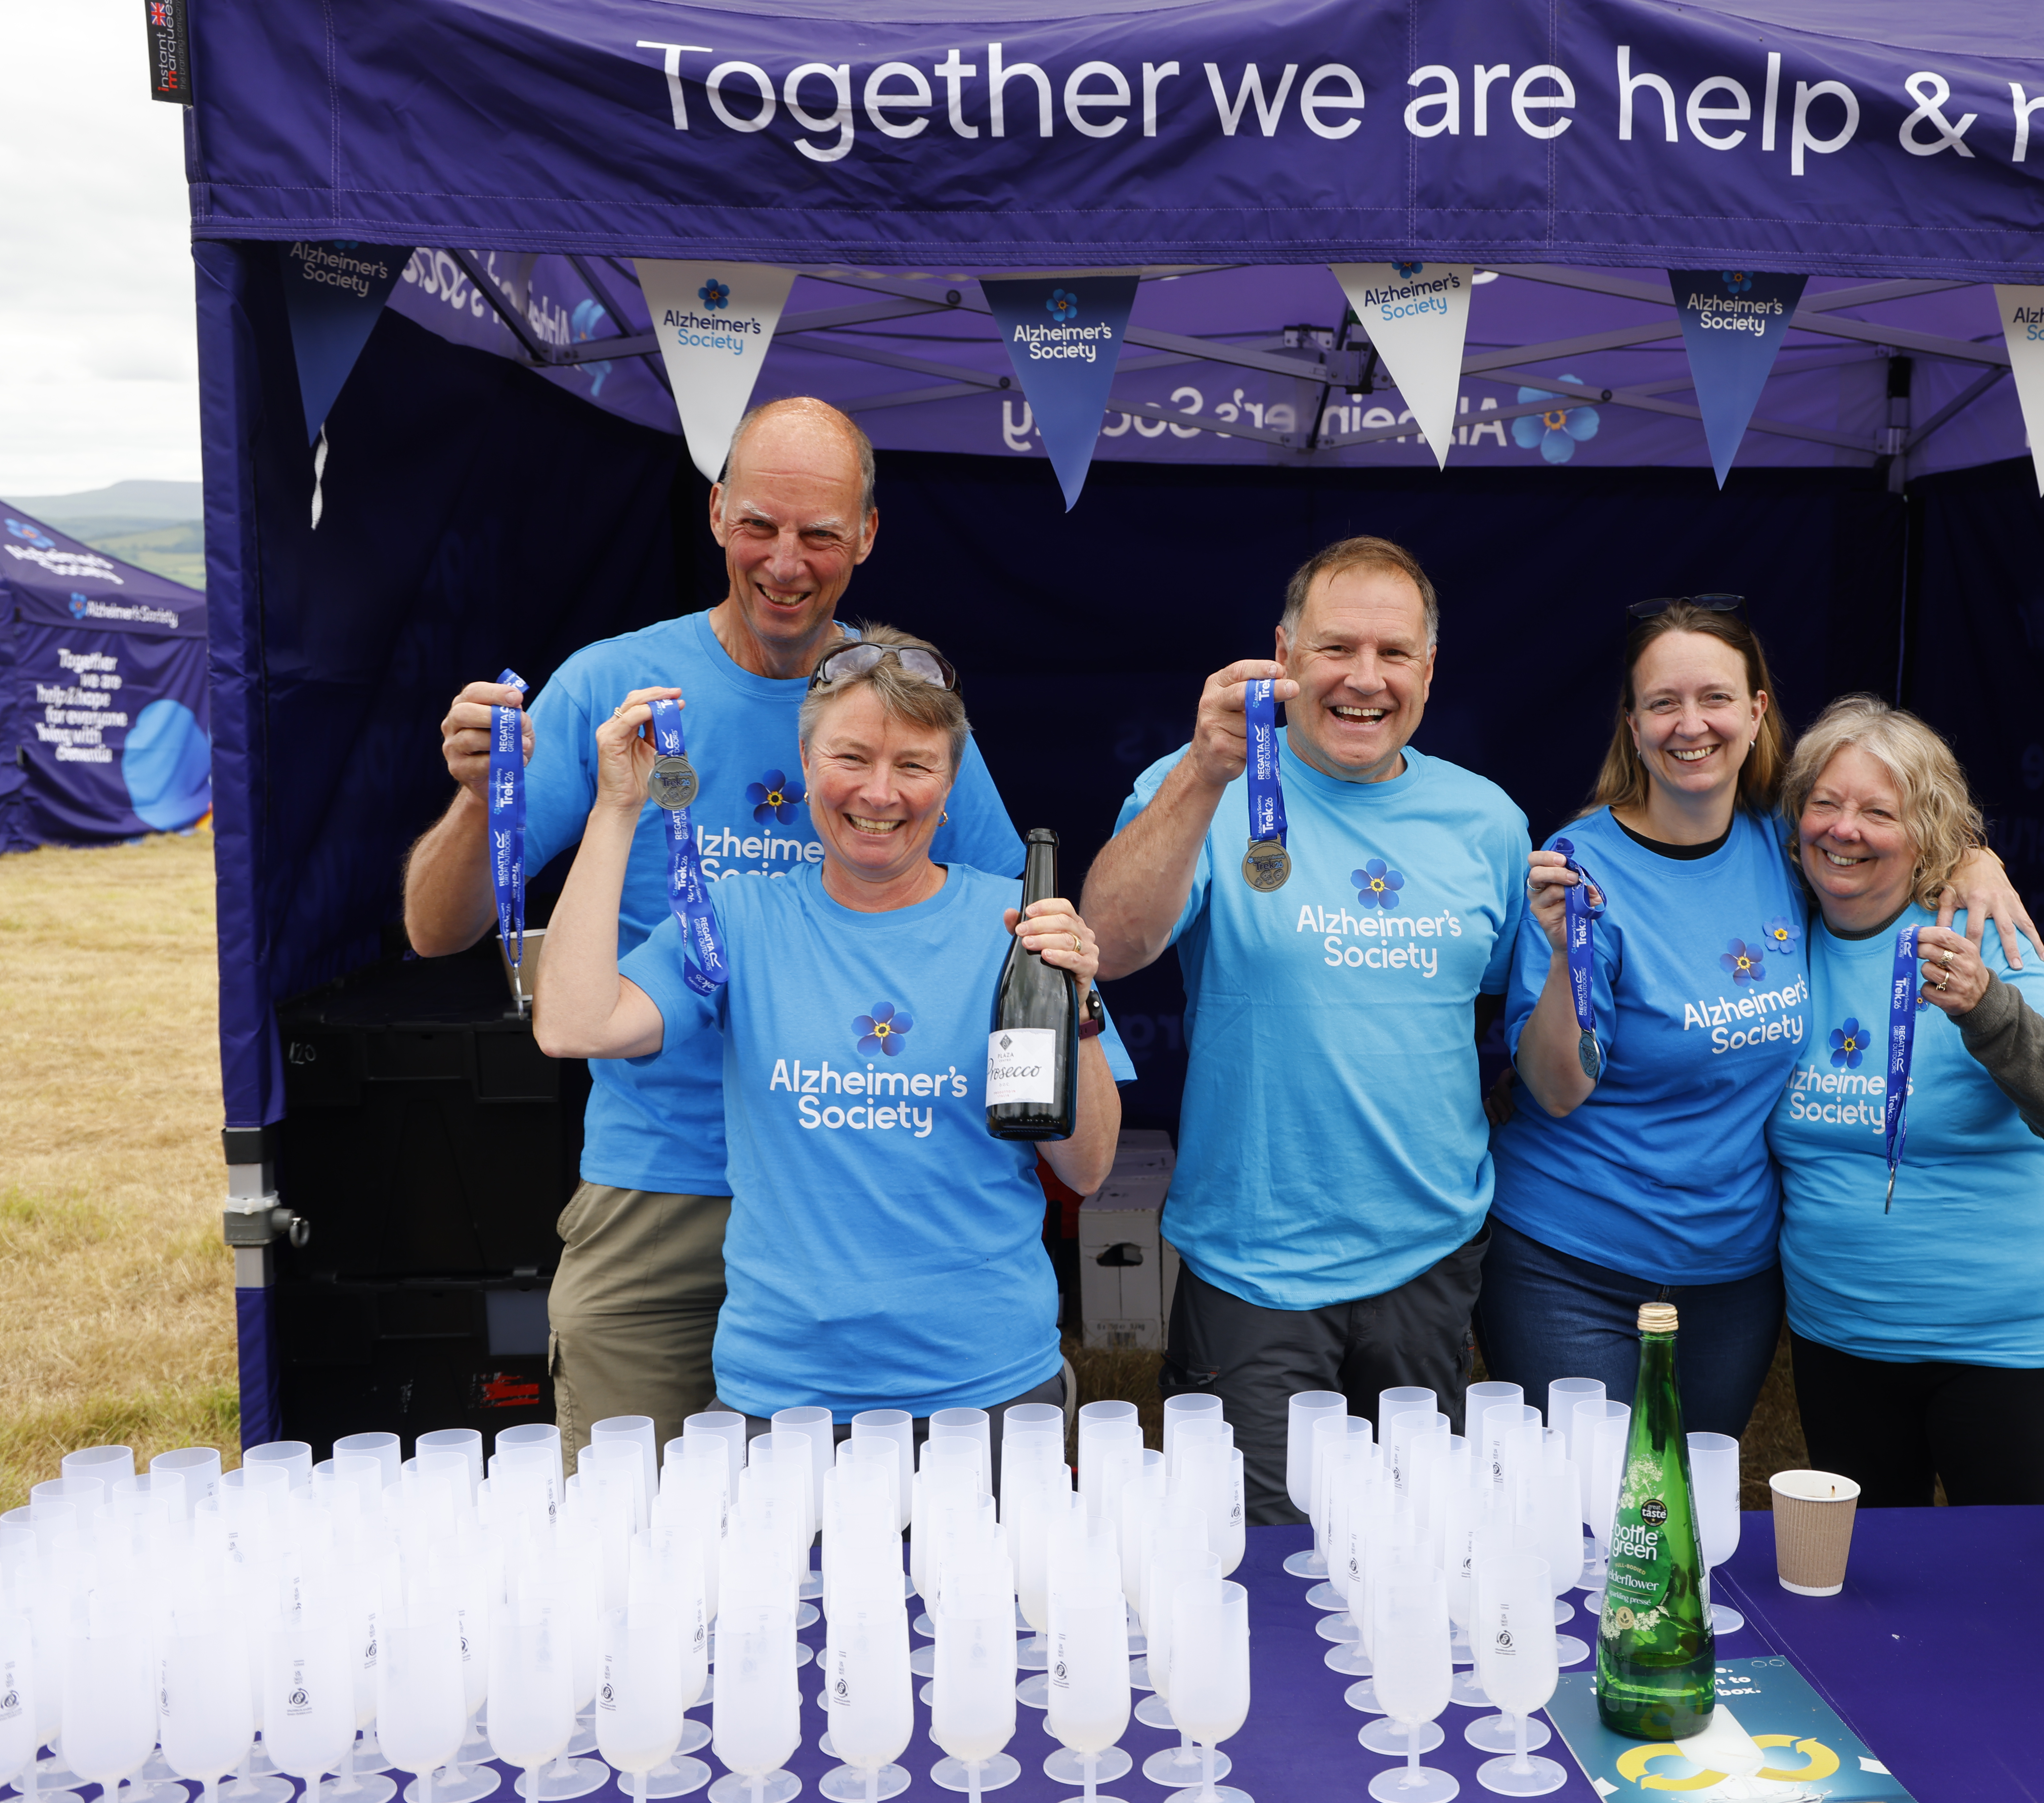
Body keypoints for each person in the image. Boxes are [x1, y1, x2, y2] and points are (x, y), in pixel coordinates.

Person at [400, 398, 1050, 1459]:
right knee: (636, 1524)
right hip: (662, 1173)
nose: (786, 563)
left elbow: (995, 931)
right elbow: (438, 929)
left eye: (820, 535)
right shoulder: (615, 685)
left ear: (868, 537)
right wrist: (481, 801)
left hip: (856, 1190)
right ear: (714, 515)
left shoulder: (908, 712)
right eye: (760, 526)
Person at [1479, 600, 2042, 1435]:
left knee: (1695, 1512)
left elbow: (1885, 823)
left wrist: (1974, 855)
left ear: (1756, 711)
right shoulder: (1579, 869)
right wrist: (1565, 955)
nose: (1690, 724)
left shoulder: (1789, 844)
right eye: (1662, 703)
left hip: (1732, 1277)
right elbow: (1557, 1088)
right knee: (1589, 1519)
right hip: (1570, 1262)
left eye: (1714, 698)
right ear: (1632, 725)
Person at [530, 628, 1119, 1424]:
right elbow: (572, 1023)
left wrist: (1078, 1005)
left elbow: (1085, 1168)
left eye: (914, 765)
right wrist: (616, 809)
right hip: (783, 1398)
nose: (880, 793)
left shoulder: (1012, 924)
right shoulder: (738, 913)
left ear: (950, 787)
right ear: (807, 769)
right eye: (852, 759)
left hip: (986, 1390)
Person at [1083, 535, 1529, 1522]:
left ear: (1429, 669)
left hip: (1430, 1255)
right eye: (1336, 649)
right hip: (1255, 1262)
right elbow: (1109, 947)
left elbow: (1495, 1000)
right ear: (1283, 657)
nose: (1363, 679)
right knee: (1262, 1576)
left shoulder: (1488, 820)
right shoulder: (1198, 781)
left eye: (1393, 653)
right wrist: (1202, 774)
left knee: (1419, 1546)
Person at [1764, 694, 2044, 1509]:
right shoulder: (1777, 931)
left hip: (2013, 1344)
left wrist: (1989, 1009)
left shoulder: (1978, 926)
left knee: (2020, 1596)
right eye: (1825, 802)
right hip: (1843, 1338)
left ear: (1927, 832)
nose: (1843, 828)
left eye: (1877, 811)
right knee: (1862, 1594)